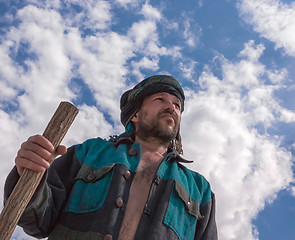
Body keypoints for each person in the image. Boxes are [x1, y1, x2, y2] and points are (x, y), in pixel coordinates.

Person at [4, 75, 217, 240]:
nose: (171, 107)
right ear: (135, 115)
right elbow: (35, 219)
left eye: (177, 105)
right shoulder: (90, 153)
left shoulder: (199, 190)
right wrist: (31, 174)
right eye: (160, 99)